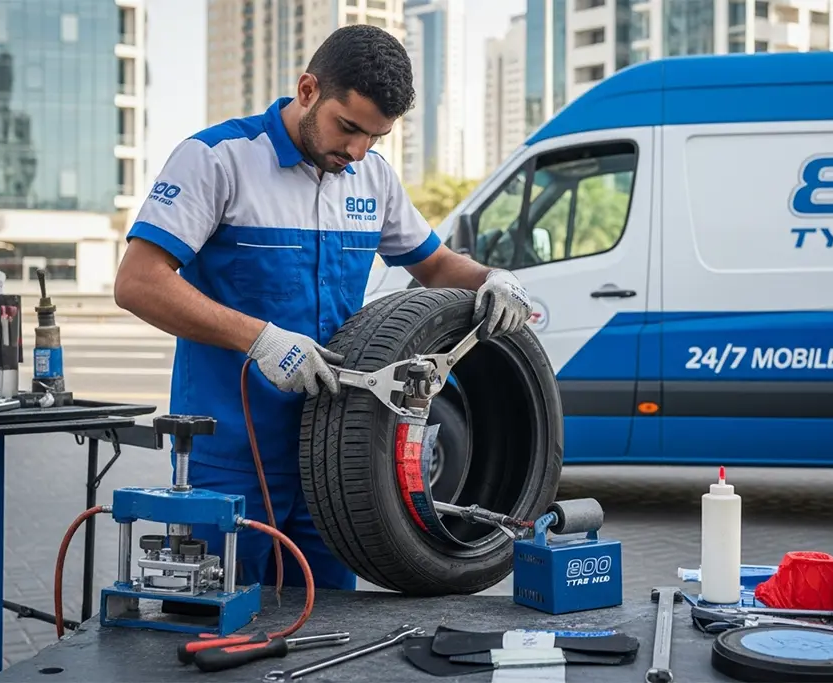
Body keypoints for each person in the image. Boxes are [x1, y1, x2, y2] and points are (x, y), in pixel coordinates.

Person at [113, 25, 532, 591]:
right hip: (230, 457)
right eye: (349, 127)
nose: (357, 151)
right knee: (216, 620)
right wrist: (261, 339)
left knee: (327, 617)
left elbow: (434, 265)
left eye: (375, 137)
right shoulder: (218, 159)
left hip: (333, 459)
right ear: (308, 90)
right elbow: (139, 282)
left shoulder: (372, 178)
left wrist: (493, 278)